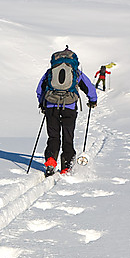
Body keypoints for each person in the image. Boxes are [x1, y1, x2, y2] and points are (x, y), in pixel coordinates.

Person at [36, 48, 97, 176]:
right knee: (68, 137)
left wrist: (43, 103)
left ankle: (51, 161)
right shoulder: (76, 72)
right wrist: (92, 100)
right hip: (69, 107)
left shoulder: (50, 72)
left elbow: (40, 89)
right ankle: (66, 167)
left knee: (53, 136)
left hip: (51, 106)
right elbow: (89, 87)